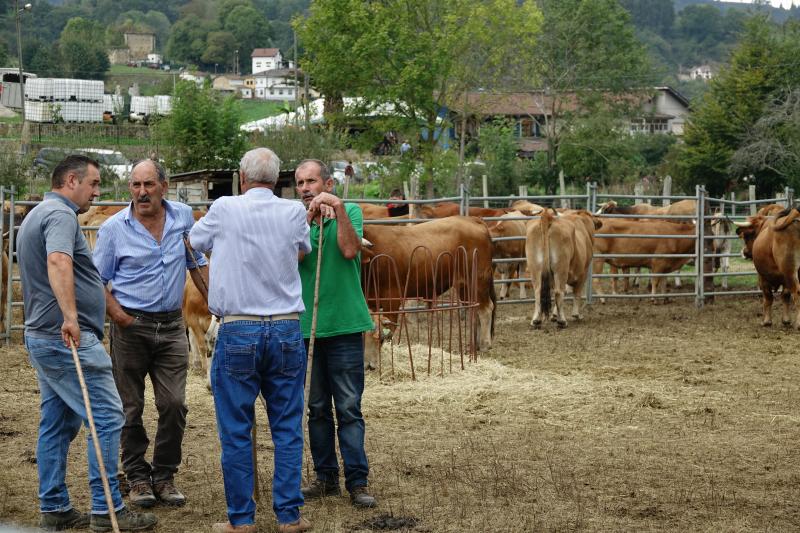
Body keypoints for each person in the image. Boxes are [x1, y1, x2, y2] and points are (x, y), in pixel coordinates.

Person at [17, 155, 157, 532]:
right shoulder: (60, 216)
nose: (97, 193)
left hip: (44, 337)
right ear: (72, 180)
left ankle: (55, 507)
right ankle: (107, 508)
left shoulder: (37, 213)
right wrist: (72, 318)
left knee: (58, 423)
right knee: (109, 417)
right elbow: (59, 261)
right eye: (93, 184)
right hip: (65, 339)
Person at [190, 147, 312, 533]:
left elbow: (195, 241)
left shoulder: (224, 208)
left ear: (242, 178)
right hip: (286, 327)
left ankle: (241, 521)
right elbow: (302, 251)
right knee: (288, 427)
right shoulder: (293, 211)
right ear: (277, 180)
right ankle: (289, 518)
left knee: (237, 429)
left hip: (239, 326)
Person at [93, 158, 209, 509]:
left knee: (174, 403)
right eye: (135, 185)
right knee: (130, 407)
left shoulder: (183, 217)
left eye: (148, 185)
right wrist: (119, 317)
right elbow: (97, 281)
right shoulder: (114, 228)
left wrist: (216, 303)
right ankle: (137, 478)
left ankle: (164, 475)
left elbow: (196, 262)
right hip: (132, 327)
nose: (141, 192)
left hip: (172, 325)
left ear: (164, 186)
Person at [295, 160, 378, 509]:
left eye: (311, 181)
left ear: (327, 183)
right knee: (316, 408)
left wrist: (338, 208)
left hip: (344, 325)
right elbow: (295, 255)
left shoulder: (352, 211)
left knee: (348, 407)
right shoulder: (295, 220)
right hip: (307, 328)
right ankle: (326, 477)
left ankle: (357, 481)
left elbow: (348, 249)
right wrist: (309, 221)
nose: (304, 188)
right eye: (299, 182)